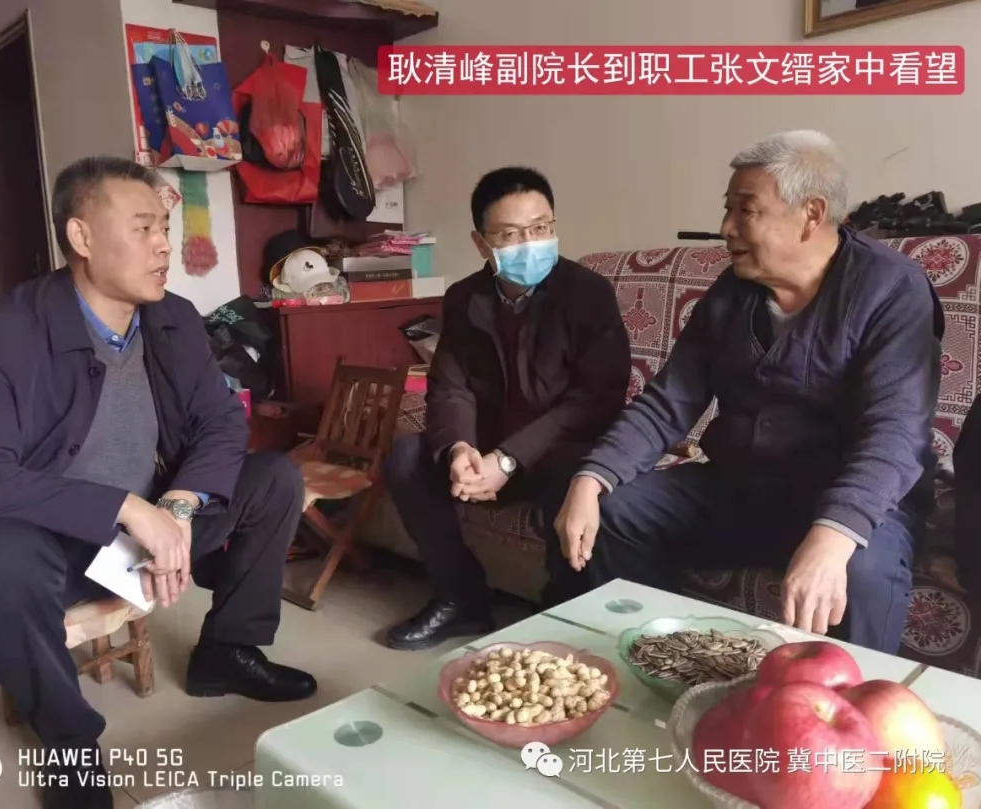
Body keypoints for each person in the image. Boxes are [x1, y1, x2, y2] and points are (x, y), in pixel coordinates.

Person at [0, 157, 315, 809]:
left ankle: (228, 651)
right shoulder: (4, 335)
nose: (163, 245)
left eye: (164, 229)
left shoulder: (173, 318)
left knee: (274, 478)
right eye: (143, 227)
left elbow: (220, 423)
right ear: (82, 237)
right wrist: (125, 508)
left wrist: (177, 505)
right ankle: (68, 744)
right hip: (50, 535)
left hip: (152, 516)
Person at [553, 130, 943, 655]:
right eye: (727, 209)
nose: (726, 228)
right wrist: (592, 477)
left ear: (811, 214)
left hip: (854, 499)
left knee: (861, 569)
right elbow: (668, 402)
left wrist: (834, 532)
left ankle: (855, 701)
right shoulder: (732, 291)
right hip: (745, 488)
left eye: (746, 210)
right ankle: (666, 663)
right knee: (617, 513)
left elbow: (894, 433)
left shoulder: (892, 288)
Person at [384, 167, 632, 650]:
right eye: (511, 234)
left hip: (558, 449)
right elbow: (450, 387)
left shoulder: (587, 293)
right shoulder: (464, 298)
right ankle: (459, 598)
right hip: (489, 448)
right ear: (481, 243)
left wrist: (510, 459)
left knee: (581, 478)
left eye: (541, 227)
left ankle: (563, 611)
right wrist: (459, 449)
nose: (530, 243)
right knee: (406, 457)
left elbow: (596, 398)